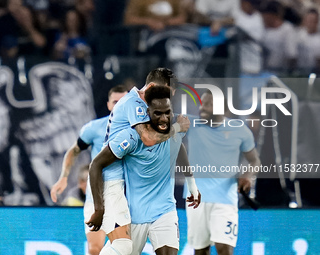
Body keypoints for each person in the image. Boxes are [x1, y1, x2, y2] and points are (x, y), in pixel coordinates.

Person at [85, 68, 191, 255]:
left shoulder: (147, 107)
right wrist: (177, 127)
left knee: (125, 248)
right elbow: (149, 138)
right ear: (150, 87)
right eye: (164, 92)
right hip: (111, 180)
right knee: (123, 247)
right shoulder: (134, 103)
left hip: (129, 183)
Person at [50, 84, 128, 255]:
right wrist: (63, 177)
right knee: (94, 249)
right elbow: (74, 150)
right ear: (108, 105)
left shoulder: (138, 131)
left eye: (123, 102)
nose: (119, 106)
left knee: (124, 248)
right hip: (96, 197)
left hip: (126, 199)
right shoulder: (94, 128)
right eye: (115, 102)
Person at [183, 89, 261, 255]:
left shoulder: (240, 131)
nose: (202, 108)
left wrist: (248, 175)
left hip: (225, 200)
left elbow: (255, 161)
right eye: (202, 103)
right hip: (195, 200)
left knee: (224, 248)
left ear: (223, 109)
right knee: (201, 251)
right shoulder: (190, 123)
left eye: (209, 104)